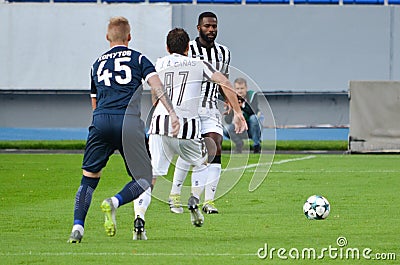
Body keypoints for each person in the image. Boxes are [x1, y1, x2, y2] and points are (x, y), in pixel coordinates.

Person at [67, 16, 179, 243]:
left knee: (88, 179)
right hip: (128, 122)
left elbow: (94, 102)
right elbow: (157, 86)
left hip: (101, 121)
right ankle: (115, 202)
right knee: (145, 178)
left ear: (107, 37)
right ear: (129, 37)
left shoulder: (96, 64)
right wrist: (172, 113)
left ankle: (77, 227)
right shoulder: (138, 59)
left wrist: (100, 126)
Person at [132, 28, 247, 239]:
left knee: (152, 176)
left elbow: (154, 94)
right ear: (188, 48)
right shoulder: (199, 63)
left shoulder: (158, 63)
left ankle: (140, 216)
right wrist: (238, 113)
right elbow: (225, 82)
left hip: (159, 124)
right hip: (188, 126)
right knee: (204, 161)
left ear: (167, 48)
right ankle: (194, 197)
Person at [168, 11, 231, 215]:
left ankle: (208, 201)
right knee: (190, 150)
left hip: (211, 107)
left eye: (214, 26)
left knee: (215, 147)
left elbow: (223, 79)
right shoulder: (189, 49)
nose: (211, 30)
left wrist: (230, 100)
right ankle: (174, 195)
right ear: (198, 28)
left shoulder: (224, 52)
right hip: (189, 107)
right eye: (207, 26)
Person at [223, 77, 262, 154]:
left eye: (242, 88)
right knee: (226, 129)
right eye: (237, 88)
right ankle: (239, 144)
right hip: (239, 129)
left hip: (252, 128)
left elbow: (253, 111)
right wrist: (230, 110)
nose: (240, 91)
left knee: (253, 118)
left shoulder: (252, 95)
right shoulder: (231, 98)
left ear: (246, 88)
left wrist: (241, 105)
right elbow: (227, 120)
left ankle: (256, 145)